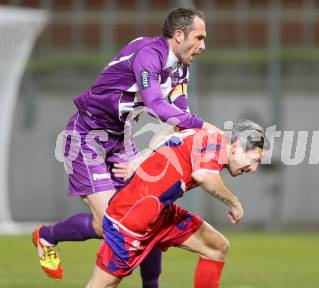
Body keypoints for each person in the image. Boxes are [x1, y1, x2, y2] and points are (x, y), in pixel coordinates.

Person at [32, 7, 220, 287]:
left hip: (120, 139)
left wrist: (212, 142)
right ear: (179, 35)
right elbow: (157, 104)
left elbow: (181, 117)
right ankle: (47, 235)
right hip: (87, 136)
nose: (204, 45)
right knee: (110, 224)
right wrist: (205, 127)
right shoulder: (148, 54)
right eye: (200, 37)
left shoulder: (181, 67)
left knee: (149, 211)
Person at [85, 120, 267, 288]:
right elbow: (204, 177)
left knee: (216, 247)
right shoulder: (212, 143)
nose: (253, 169)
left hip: (160, 213)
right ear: (236, 147)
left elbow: (173, 127)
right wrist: (234, 203)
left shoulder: (207, 137)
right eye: (254, 160)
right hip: (131, 217)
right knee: (103, 284)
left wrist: (142, 159)